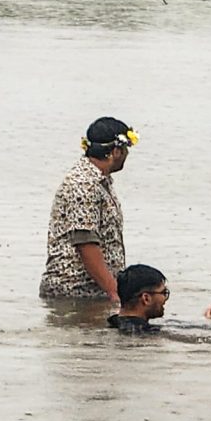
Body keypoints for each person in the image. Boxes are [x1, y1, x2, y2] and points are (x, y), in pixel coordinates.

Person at [40, 115, 136, 302]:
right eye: (126, 149)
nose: (127, 155)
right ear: (116, 151)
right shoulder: (84, 184)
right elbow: (86, 244)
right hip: (77, 293)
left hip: (92, 292)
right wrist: (114, 292)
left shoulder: (99, 181)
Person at [107, 261, 211, 333]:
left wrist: (205, 321)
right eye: (164, 293)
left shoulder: (115, 322)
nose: (165, 300)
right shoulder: (146, 334)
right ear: (146, 298)